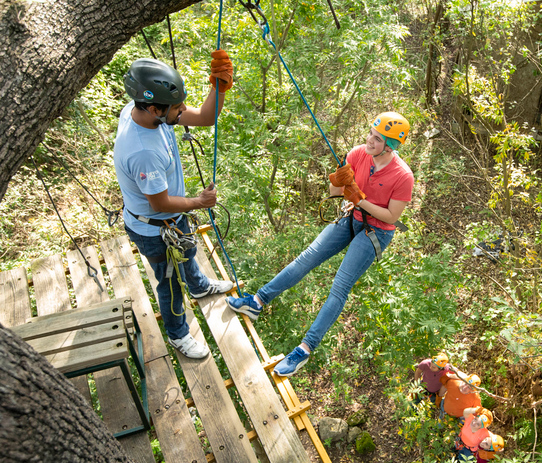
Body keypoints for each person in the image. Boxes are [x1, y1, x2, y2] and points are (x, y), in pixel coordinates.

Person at [227, 112, 414, 376]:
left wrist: (359, 199)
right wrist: (337, 182)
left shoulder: (403, 176)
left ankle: (303, 350)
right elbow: (336, 195)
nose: (368, 141)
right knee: (307, 258)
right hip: (352, 217)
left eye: (376, 139)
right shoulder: (359, 153)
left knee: (339, 286)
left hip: (376, 232)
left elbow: (391, 217)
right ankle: (257, 301)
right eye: (370, 134)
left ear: (390, 146)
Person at [114, 53, 235, 359]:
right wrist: (199, 202)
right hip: (154, 227)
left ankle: (199, 285)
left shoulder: (142, 111)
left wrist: (219, 87)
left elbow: (206, 118)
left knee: (187, 251)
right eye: (177, 107)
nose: (182, 111)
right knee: (169, 283)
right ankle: (178, 334)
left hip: (168, 220)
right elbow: (161, 202)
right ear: (154, 109)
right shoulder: (144, 151)